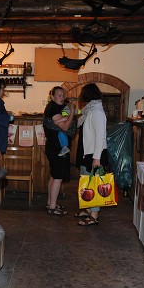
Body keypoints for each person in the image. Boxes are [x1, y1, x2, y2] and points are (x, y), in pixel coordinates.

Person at [75, 83, 108, 225]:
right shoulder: (89, 110)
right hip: (87, 152)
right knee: (86, 183)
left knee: (94, 185)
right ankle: (88, 209)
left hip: (95, 154)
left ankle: (94, 216)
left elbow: (101, 136)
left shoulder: (97, 112)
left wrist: (96, 158)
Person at [43, 86, 77, 215]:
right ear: (52, 96)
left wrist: (63, 118)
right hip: (57, 148)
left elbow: (60, 122)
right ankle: (52, 207)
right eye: (59, 95)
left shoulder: (53, 107)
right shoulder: (54, 109)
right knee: (58, 177)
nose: (62, 98)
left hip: (53, 147)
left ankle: (50, 203)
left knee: (54, 175)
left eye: (63, 95)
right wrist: (71, 113)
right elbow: (66, 127)